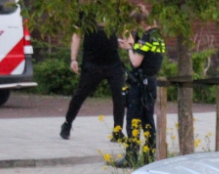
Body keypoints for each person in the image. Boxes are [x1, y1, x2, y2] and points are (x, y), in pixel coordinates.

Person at [60, 19, 124, 141]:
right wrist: (73, 59)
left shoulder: (114, 10)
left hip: (113, 63)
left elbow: (125, 31)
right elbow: (77, 35)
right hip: (92, 62)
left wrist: (129, 44)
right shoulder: (86, 13)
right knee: (80, 94)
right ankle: (67, 123)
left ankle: (118, 131)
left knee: (120, 96)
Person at [118, 5, 163, 160]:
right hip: (150, 82)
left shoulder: (146, 38)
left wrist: (129, 48)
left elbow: (136, 62)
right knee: (148, 120)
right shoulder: (158, 37)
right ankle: (149, 155)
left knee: (133, 119)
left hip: (140, 84)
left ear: (141, 23)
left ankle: (131, 156)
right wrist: (132, 44)